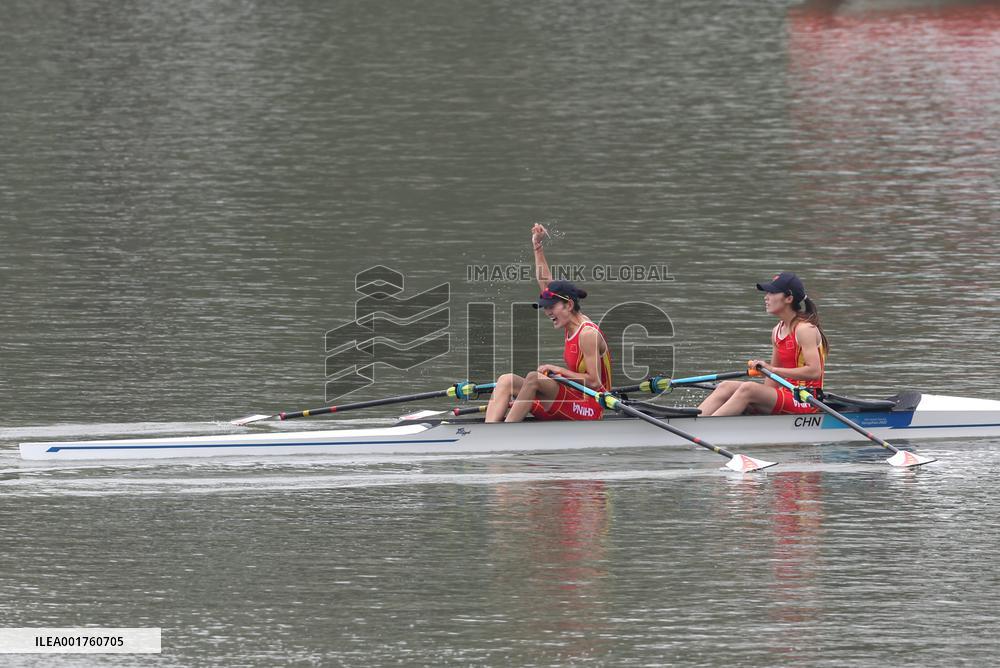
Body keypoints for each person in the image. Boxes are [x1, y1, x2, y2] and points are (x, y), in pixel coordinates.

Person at [485, 224, 613, 423]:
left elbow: (594, 382)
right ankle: (489, 431)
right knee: (506, 380)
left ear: (568, 305)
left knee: (533, 378)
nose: (547, 312)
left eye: (551, 307)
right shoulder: (569, 322)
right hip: (572, 399)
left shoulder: (587, 334)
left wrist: (558, 370)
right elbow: (546, 284)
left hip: (591, 407)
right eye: (545, 307)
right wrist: (537, 246)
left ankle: (506, 432)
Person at [698, 271, 828, 417]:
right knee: (725, 386)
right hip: (786, 395)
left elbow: (814, 372)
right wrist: (759, 402)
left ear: (789, 298)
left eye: (772, 293)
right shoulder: (777, 331)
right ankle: (693, 421)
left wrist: (771, 370)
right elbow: (772, 381)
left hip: (806, 400)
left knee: (748, 389)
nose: (766, 297)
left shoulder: (805, 329)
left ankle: (707, 427)